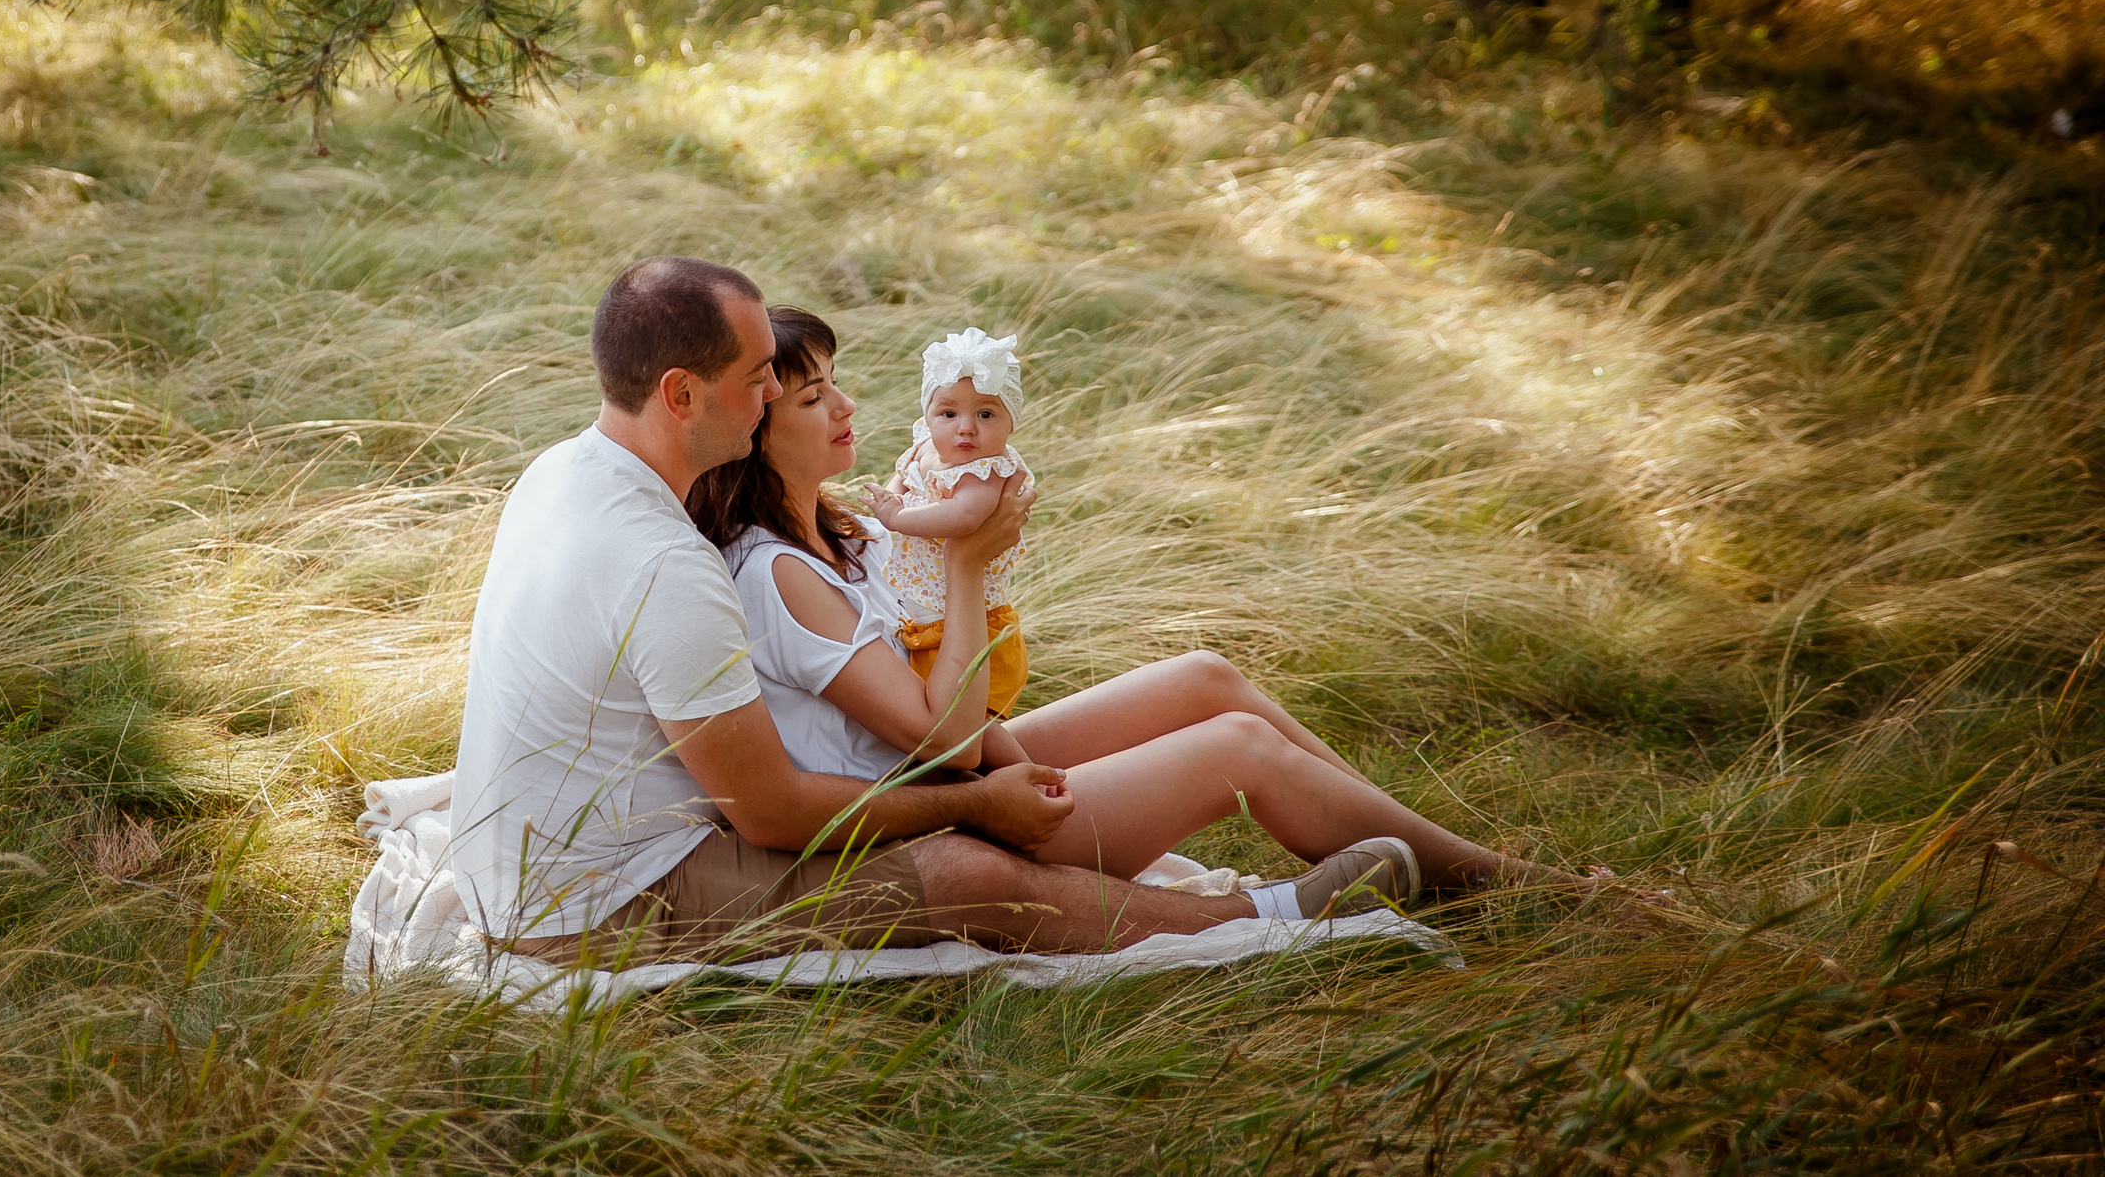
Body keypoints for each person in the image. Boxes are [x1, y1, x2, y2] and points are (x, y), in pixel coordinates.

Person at [449, 257, 1423, 970]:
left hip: (565, 845)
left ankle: (1411, 853)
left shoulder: (567, 468)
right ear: (679, 391)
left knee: (1165, 706)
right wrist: (970, 801)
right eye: (761, 381)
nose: (772, 399)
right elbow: (772, 809)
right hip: (595, 904)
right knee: (954, 869)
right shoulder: (670, 565)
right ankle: (1264, 913)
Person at [688, 304, 1613, 911]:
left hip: (972, 772)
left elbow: (971, 722)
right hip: (956, 812)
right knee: (1239, 752)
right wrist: (968, 566)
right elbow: (951, 742)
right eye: (815, 397)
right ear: (755, 433)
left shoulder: (837, 527)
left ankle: (1418, 838)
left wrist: (1023, 744)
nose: (847, 405)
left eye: (833, 381)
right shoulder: (780, 574)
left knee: (1204, 678)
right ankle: (1512, 887)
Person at [867, 327, 1033, 719]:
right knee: (932, 720)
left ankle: (1030, 775)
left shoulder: (986, 472)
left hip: (976, 628)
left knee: (975, 727)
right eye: (948, 413)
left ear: (1012, 422)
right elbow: (905, 477)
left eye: (986, 414)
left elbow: (963, 516)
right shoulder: (925, 448)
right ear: (928, 414)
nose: (966, 427)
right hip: (926, 621)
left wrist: (896, 516)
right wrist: (892, 495)